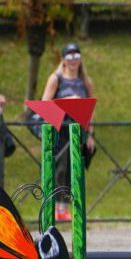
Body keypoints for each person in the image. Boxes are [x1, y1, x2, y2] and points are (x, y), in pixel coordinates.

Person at [40, 42, 96, 222]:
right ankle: (57, 206)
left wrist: (91, 134)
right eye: (69, 57)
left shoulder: (85, 82)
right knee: (60, 167)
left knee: (75, 167)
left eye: (76, 56)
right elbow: (45, 104)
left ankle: (71, 205)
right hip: (60, 128)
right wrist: (67, 101)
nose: (73, 60)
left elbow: (91, 109)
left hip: (78, 128)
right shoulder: (56, 79)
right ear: (63, 60)